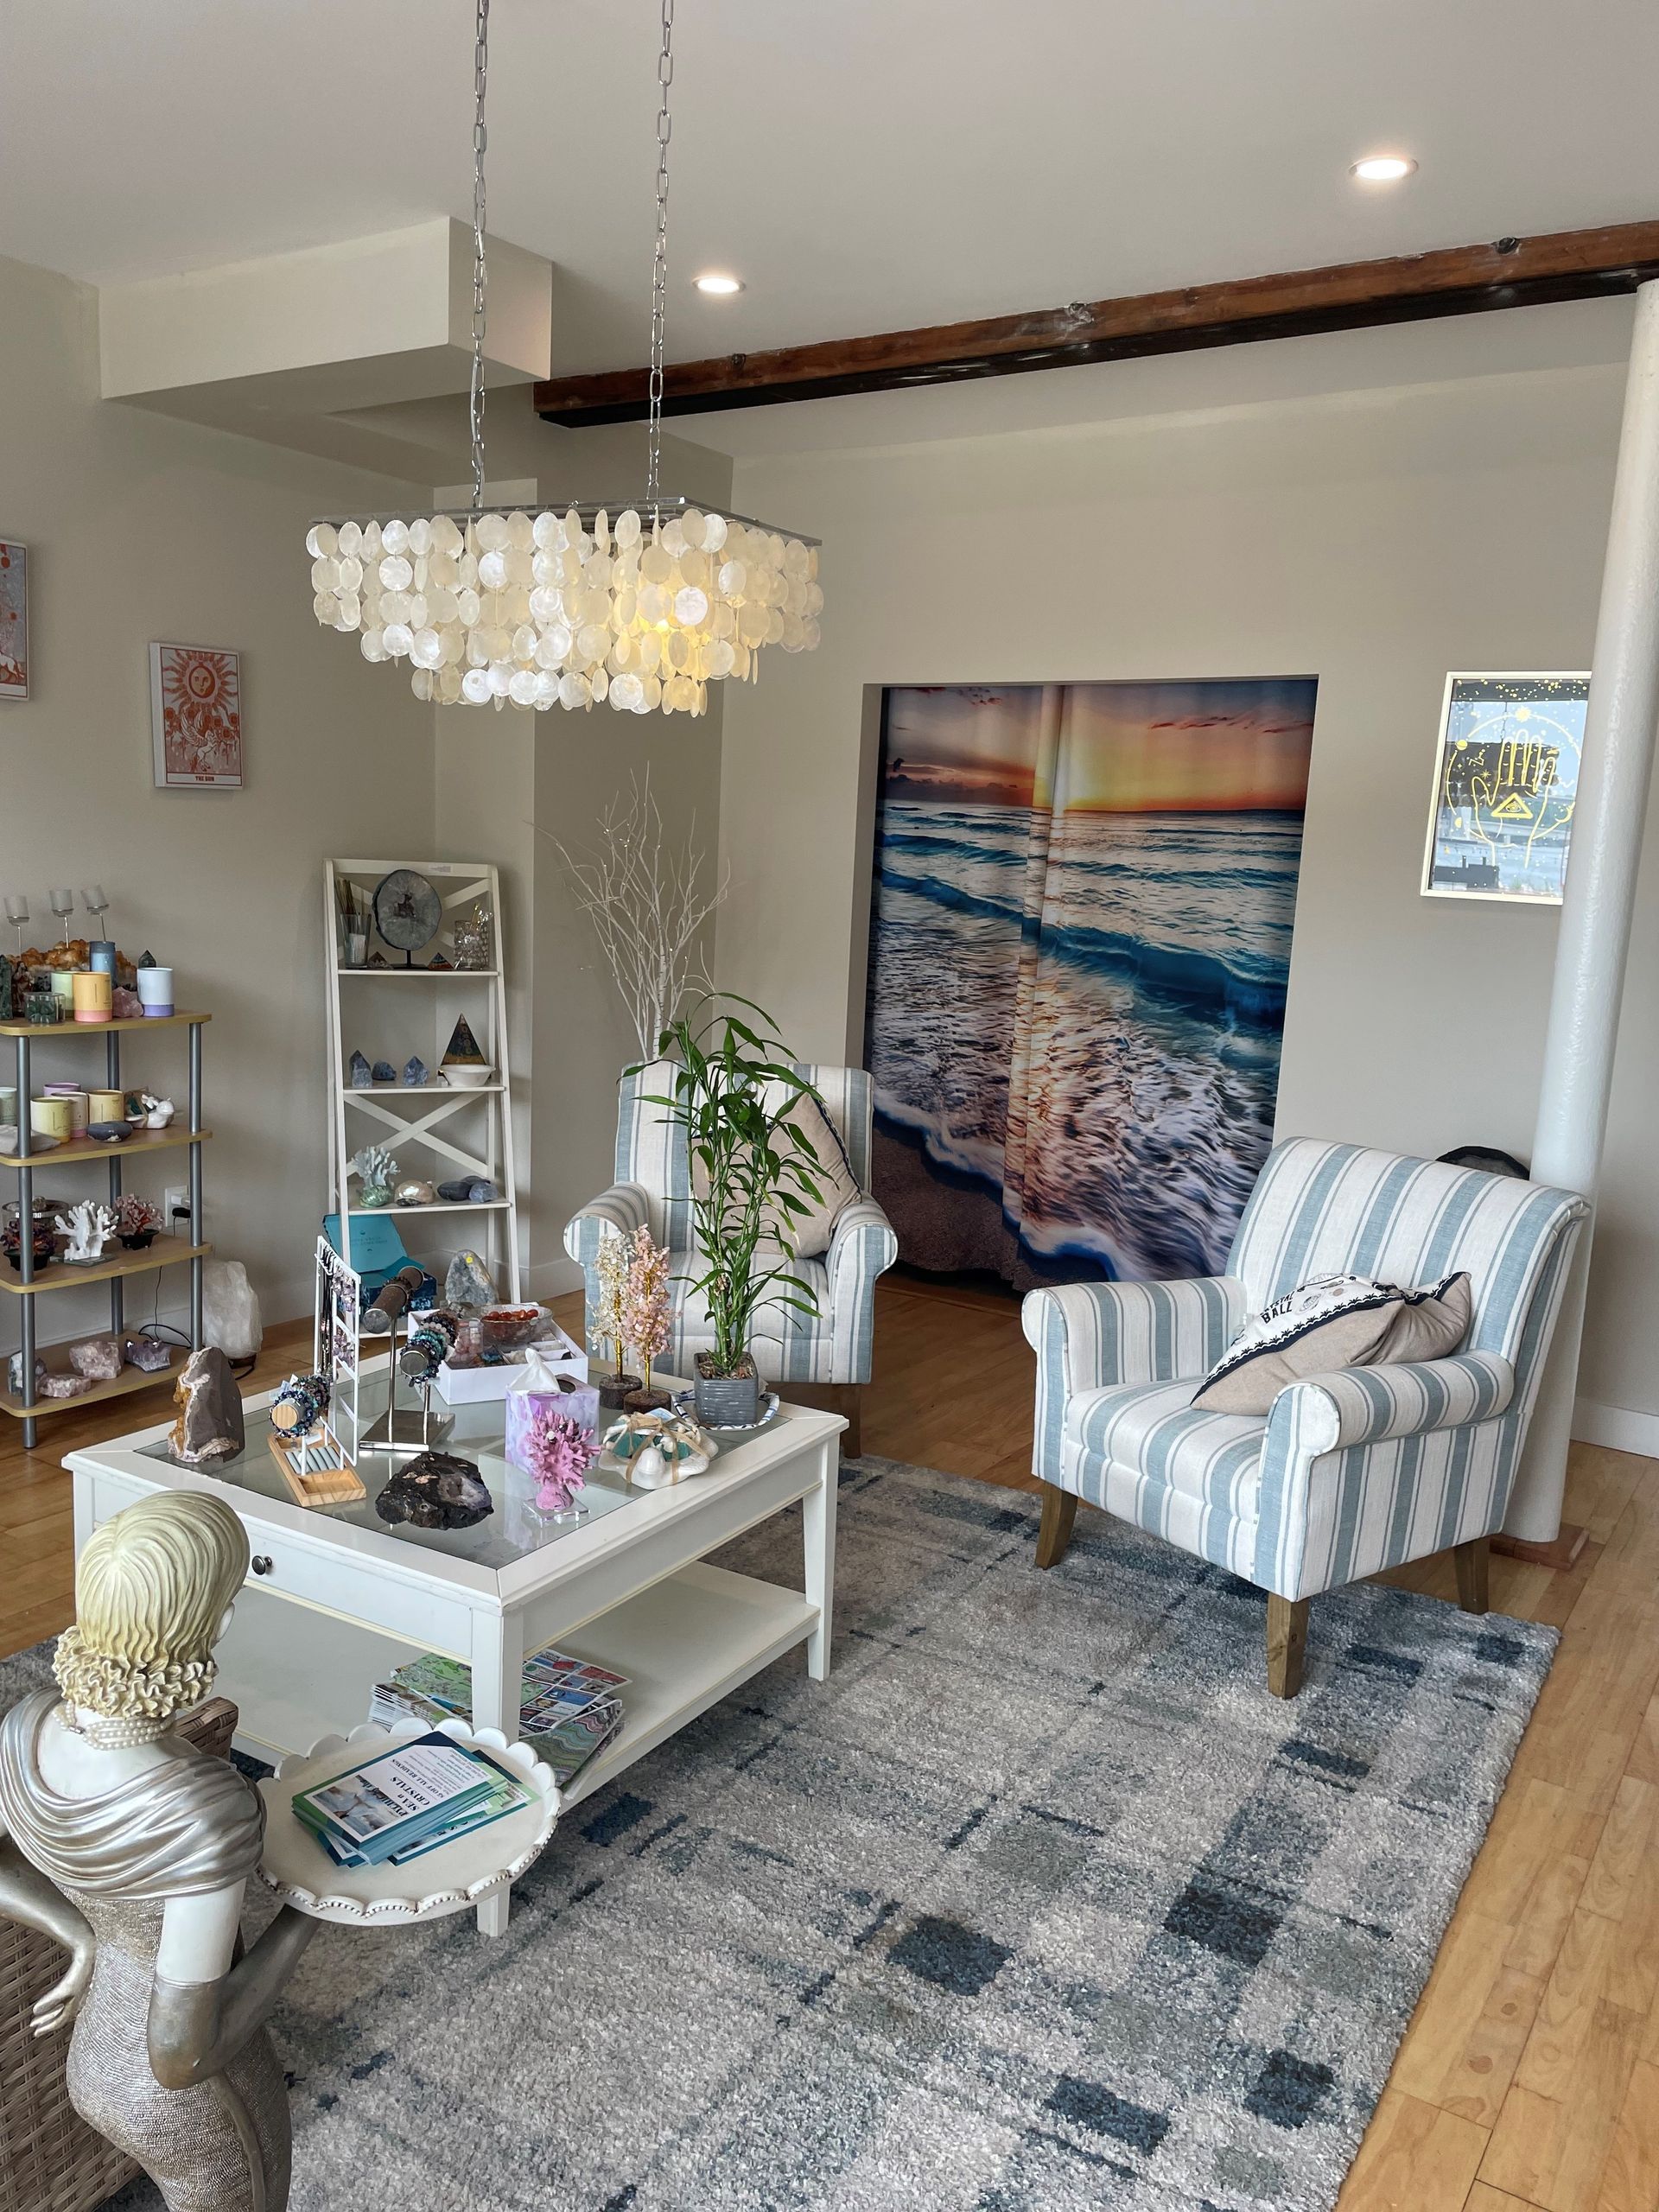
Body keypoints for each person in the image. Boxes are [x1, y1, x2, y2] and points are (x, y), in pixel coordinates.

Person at [0, 1491, 317, 2211]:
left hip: (95, 2058)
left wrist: (77, 1930)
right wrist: (311, 1913)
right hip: (189, 2099)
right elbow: (183, 2056)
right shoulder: (205, 1810)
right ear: (222, 1621)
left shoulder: (24, 1730)